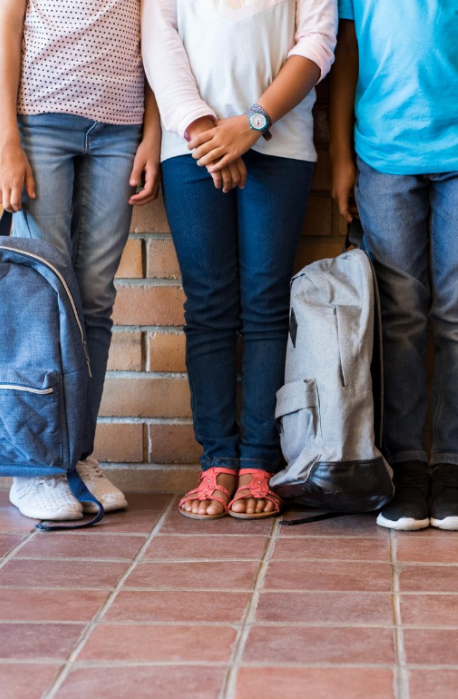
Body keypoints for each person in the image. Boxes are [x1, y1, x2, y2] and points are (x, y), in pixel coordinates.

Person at [330, 0, 458, 531]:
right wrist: (341, 160)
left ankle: (454, 468)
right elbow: (345, 55)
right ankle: (406, 467)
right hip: (383, 159)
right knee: (399, 320)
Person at [142, 0, 336, 520]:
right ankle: (218, 459)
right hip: (189, 146)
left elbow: (316, 44)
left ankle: (258, 461)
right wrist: (204, 131)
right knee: (208, 306)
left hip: (280, 144)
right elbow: (160, 42)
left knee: (267, 306)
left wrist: (251, 124)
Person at [0, 0, 161, 521]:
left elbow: (156, 35)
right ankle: (36, 466)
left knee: (95, 300)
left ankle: (77, 455)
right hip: (41, 123)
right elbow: (5, 29)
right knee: (43, 298)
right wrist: (4, 139)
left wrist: (152, 134)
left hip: (120, 131)